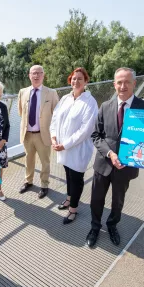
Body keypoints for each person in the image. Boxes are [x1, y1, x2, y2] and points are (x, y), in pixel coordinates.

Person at [86, 67, 144, 248]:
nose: (123, 86)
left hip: (127, 166)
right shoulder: (105, 106)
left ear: (134, 83)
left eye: (127, 82)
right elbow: (96, 135)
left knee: (118, 201)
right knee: (96, 199)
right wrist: (110, 153)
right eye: (119, 82)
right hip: (104, 163)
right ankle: (94, 227)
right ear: (114, 84)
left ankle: (112, 225)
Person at [50, 68, 98, 224]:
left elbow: (85, 130)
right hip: (61, 147)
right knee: (68, 174)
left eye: (79, 79)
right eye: (73, 78)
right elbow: (55, 118)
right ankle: (69, 198)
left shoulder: (90, 102)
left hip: (78, 149)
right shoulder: (65, 98)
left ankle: (73, 209)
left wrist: (65, 145)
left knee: (76, 178)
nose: (76, 82)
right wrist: (53, 137)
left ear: (86, 81)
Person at [18, 65, 59, 198]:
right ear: (29, 75)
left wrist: (54, 135)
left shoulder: (51, 93)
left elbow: (57, 114)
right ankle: (28, 181)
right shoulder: (22, 92)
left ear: (43, 75)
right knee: (28, 159)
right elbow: (21, 112)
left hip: (43, 135)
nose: (36, 76)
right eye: (33, 73)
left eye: (39, 73)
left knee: (45, 161)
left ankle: (44, 184)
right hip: (28, 135)